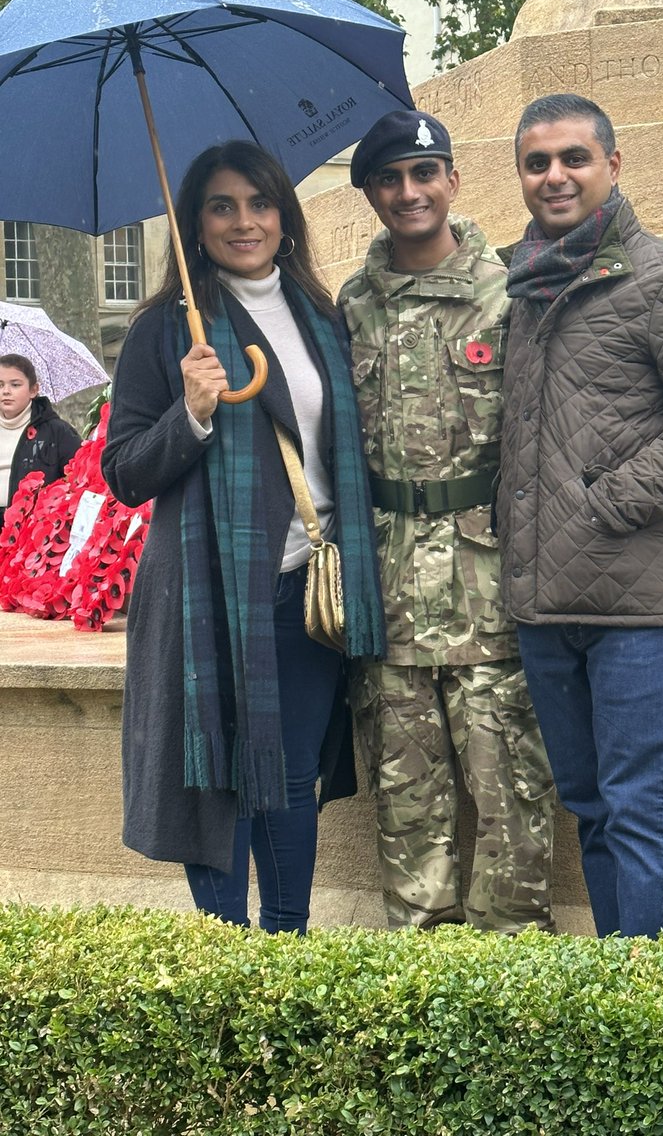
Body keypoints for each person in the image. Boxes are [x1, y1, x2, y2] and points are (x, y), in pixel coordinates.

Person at [497, 94, 663, 938]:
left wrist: (610, 499)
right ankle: (612, 997)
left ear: (614, 165)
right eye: (538, 163)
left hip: (636, 606)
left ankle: (650, 1010)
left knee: (639, 811)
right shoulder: (513, 285)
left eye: (574, 157)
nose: (555, 176)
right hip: (543, 606)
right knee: (588, 805)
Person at [102, 140, 385, 934]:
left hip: (307, 584)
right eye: (222, 205)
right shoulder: (166, 329)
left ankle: (284, 944)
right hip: (206, 587)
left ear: (285, 219)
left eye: (259, 203)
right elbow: (123, 472)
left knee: (292, 776)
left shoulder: (322, 318)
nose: (244, 221)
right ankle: (227, 958)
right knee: (215, 779)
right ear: (195, 223)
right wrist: (189, 412)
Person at [339, 109, 555, 933]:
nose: (408, 192)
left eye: (423, 174)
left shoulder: (511, 293)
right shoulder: (353, 308)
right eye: (389, 179)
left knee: (514, 803)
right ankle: (421, 984)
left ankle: (520, 984)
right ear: (369, 194)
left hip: (490, 586)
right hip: (389, 592)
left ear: (454, 182)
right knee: (404, 804)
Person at [0, 354, 81, 527]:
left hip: (35, 528)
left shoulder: (58, 431)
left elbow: (78, 478)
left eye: (15, 385)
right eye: (0, 385)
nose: (6, 391)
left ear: (33, 390)